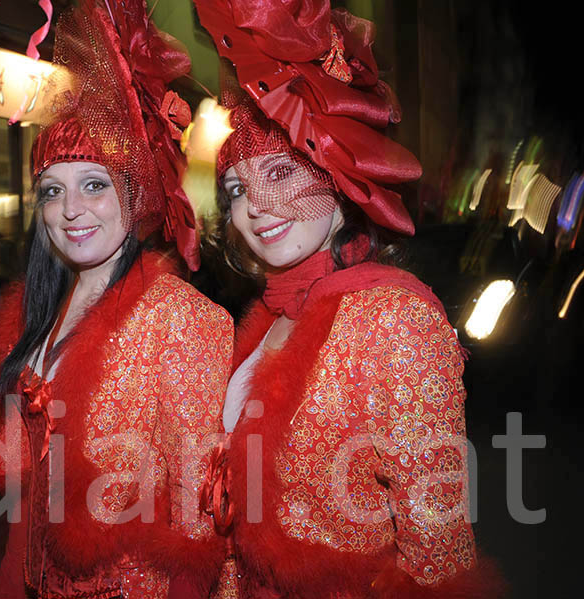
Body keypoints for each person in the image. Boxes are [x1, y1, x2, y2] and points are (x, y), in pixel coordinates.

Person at [192, 0, 505, 596]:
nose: (255, 205)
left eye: (282, 173)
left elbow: (436, 556)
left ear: (338, 176)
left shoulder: (395, 321)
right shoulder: (264, 318)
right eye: (237, 187)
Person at [0, 1, 233, 597]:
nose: (71, 210)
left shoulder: (182, 321)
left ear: (134, 196)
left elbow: (198, 513)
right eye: (52, 191)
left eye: (94, 185)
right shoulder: (30, 316)